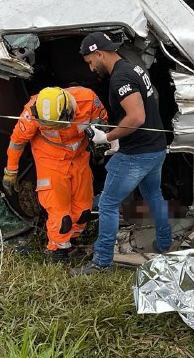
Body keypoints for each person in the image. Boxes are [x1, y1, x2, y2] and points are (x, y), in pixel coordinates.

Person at [71, 32, 171, 276]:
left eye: (90, 62)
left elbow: (137, 116)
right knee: (153, 194)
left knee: (107, 204)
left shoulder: (120, 78)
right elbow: (145, 109)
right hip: (156, 147)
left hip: (138, 154)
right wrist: (120, 141)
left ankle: (101, 262)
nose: (92, 68)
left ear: (99, 54)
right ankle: (165, 243)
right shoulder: (134, 68)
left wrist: (108, 137)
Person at [2, 85, 109, 262]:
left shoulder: (88, 100)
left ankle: (72, 242)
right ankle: (57, 251)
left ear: (68, 112)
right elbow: (17, 142)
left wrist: (101, 137)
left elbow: (104, 122)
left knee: (83, 209)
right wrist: (11, 170)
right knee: (61, 215)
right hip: (50, 162)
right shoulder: (32, 112)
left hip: (80, 159)